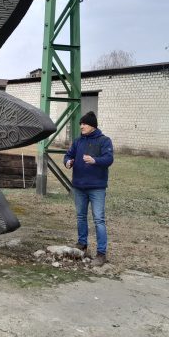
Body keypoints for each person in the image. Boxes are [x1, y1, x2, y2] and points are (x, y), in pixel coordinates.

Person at [63, 111, 115, 266]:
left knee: (99, 219)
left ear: (92, 126)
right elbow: (68, 155)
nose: (81, 126)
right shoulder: (78, 141)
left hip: (97, 188)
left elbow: (109, 159)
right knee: (81, 217)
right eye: (81, 124)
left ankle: (101, 254)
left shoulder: (104, 141)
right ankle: (82, 244)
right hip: (79, 186)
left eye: (84, 124)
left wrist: (95, 160)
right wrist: (67, 162)